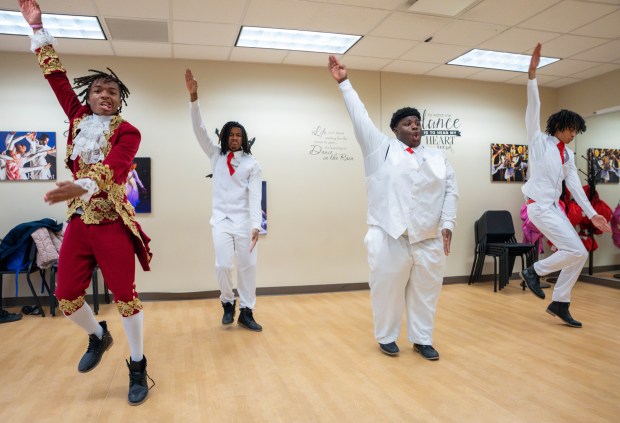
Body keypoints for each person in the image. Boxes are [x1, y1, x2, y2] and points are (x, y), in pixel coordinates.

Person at [18, 0, 153, 405]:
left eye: (112, 91)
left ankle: (138, 364)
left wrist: (82, 184)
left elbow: (114, 167)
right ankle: (98, 335)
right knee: (66, 299)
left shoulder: (128, 132)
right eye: (98, 90)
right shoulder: (77, 118)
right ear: (88, 96)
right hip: (78, 222)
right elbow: (56, 75)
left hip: (111, 220)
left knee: (126, 297)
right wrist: (37, 28)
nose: (105, 95)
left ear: (120, 99)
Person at [327, 55, 458, 359]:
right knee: (387, 293)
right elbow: (359, 117)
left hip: (428, 239)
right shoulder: (380, 149)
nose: (415, 126)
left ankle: (422, 339)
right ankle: (387, 336)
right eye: (408, 123)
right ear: (395, 129)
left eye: (417, 123)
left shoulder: (438, 157)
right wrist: (344, 83)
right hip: (390, 236)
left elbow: (451, 190)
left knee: (426, 295)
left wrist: (448, 223)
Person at [519, 43, 611, 328]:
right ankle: (534, 270)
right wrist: (532, 76)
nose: (573, 134)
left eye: (576, 131)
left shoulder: (567, 154)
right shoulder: (538, 142)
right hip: (538, 208)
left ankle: (560, 302)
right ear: (559, 126)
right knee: (574, 251)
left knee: (579, 252)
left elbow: (573, 184)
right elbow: (533, 108)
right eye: (571, 129)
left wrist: (591, 213)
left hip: (554, 208)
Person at [185, 68, 263, 332]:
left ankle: (247, 311)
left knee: (248, 266)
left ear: (243, 138)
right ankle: (228, 303)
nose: (234, 138)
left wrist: (256, 225)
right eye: (231, 135)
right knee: (222, 264)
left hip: (244, 222)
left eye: (238, 135)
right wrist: (194, 97)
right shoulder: (215, 155)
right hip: (221, 220)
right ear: (225, 137)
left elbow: (255, 195)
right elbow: (199, 130)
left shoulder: (252, 163)